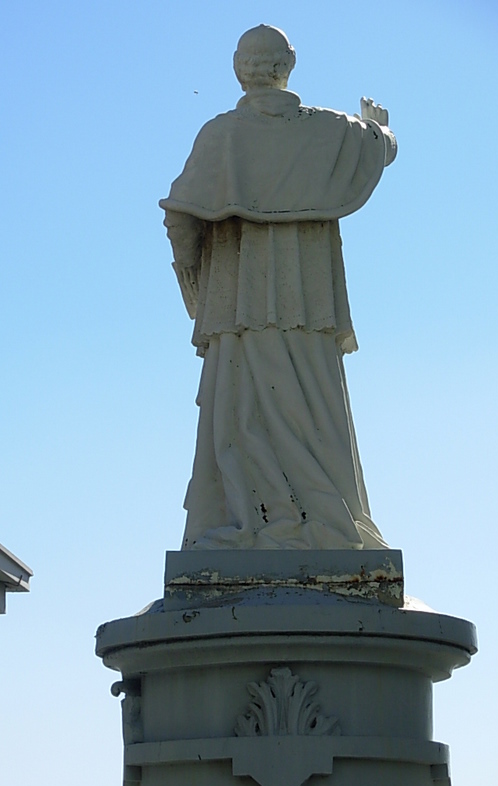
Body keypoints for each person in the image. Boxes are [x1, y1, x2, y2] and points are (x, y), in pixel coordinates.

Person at [160, 25, 397, 551]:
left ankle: (264, 524)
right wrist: (380, 133)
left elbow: (181, 219)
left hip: (237, 303)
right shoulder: (335, 132)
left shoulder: (221, 136)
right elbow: (377, 144)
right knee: (315, 410)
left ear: (239, 69)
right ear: (288, 65)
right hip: (307, 304)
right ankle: (327, 521)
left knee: (240, 416)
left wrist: (193, 284)